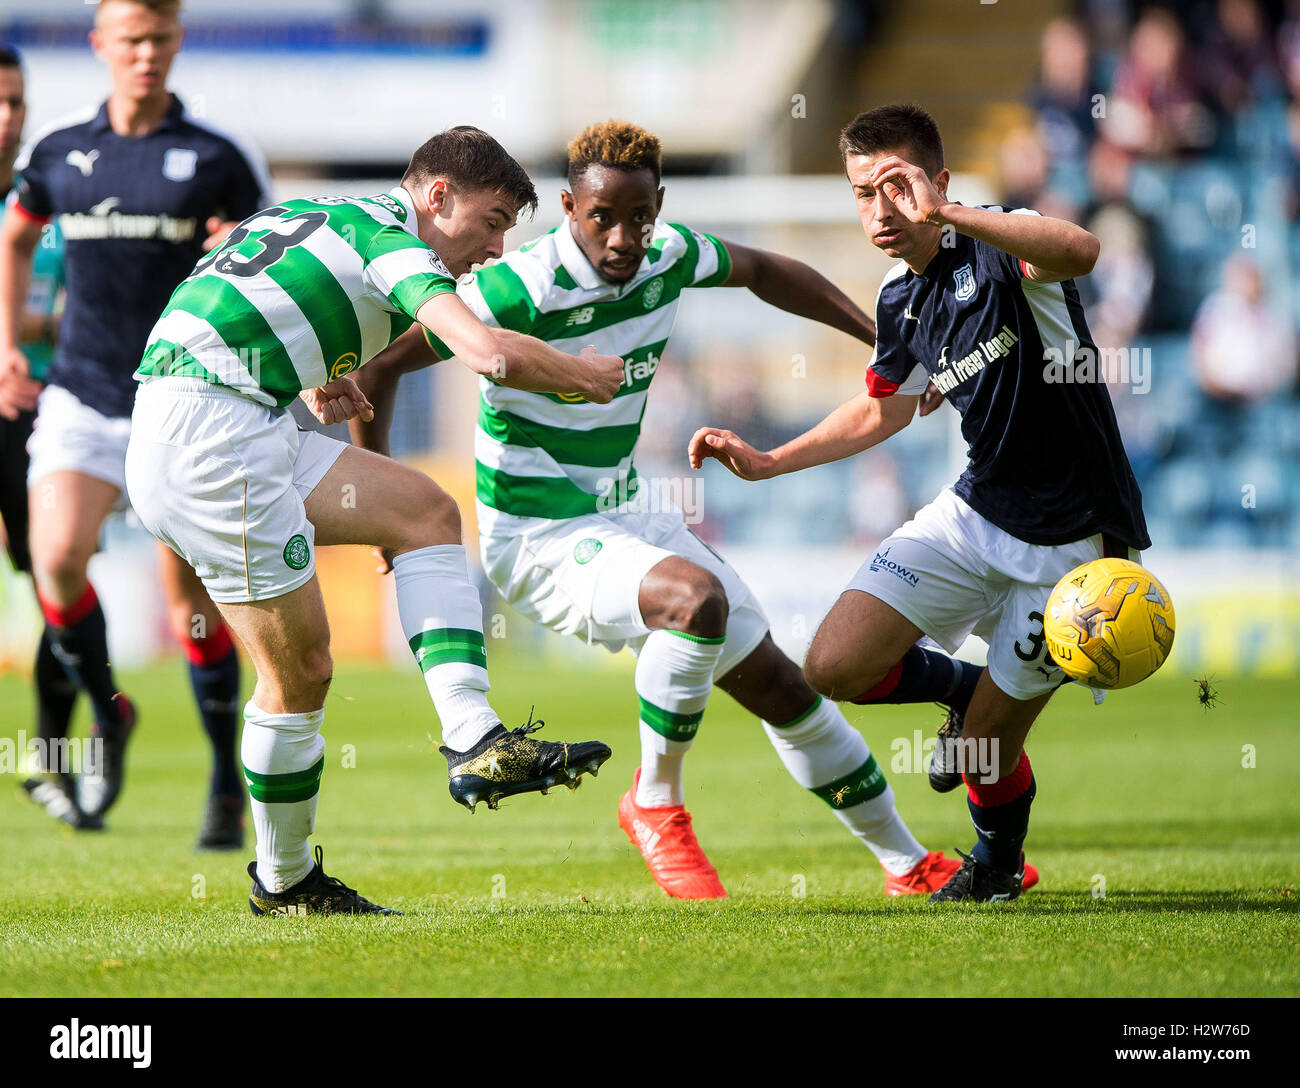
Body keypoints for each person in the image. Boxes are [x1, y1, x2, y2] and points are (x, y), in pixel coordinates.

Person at [351, 120, 1017, 900]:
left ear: (659, 205)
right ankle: (655, 803)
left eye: (640, 216)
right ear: (570, 208)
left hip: (630, 511)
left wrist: (887, 340)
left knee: (783, 687)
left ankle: (907, 864)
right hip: (537, 535)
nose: (624, 236)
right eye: (602, 217)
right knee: (693, 603)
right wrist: (379, 490)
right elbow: (382, 365)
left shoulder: (670, 256)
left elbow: (770, 271)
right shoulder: (517, 285)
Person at [125, 125, 625, 915]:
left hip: (225, 421)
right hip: (215, 446)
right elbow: (484, 352)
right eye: (492, 222)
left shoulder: (321, 212)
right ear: (438, 197)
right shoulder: (397, 244)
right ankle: (285, 883)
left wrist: (314, 377)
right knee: (301, 679)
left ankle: (474, 738)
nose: (493, 251)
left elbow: (232, 303)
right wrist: (585, 376)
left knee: (425, 513)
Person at [691, 104, 1150, 903]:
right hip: (975, 512)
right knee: (833, 664)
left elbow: (1082, 250)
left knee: (981, 753)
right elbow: (882, 409)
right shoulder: (900, 295)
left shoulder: (1001, 238)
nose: (879, 211)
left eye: (897, 189)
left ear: (938, 184)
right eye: (863, 193)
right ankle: (961, 686)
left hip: (1076, 538)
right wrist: (771, 462)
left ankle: (997, 866)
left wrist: (950, 213)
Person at [0, 0, 270, 847]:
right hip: (80, 395)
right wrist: (9, 343)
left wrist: (235, 247)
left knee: (189, 603)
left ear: (176, 41)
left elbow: (266, 257)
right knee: (55, 561)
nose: (145, 54)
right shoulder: (58, 154)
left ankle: (226, 783)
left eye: (159, 39)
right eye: (130, 41)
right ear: (101, 47)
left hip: (182, 402)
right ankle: (110, 709)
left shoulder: (218, 160)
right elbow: (16, 237)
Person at [0, 45, 84, 828]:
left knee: (52, 579)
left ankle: (52, 763)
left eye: (15, 101)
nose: (6, 118)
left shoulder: (51, 204)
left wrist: (38, 325)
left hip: (31, 414)